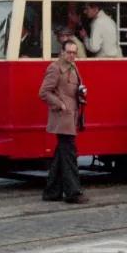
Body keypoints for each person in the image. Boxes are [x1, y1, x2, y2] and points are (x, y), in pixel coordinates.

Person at [38, 40, 88, 204]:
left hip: (70, 118)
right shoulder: (55, 68)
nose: (72, 55)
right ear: (62, 51)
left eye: (74, 52)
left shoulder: (73, 67)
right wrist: (60, 104)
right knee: (69, 156)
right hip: (62, 119)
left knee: (62, 156)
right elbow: (44, 92)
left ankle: (52, 192)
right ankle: (73, 192)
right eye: (69, 52)